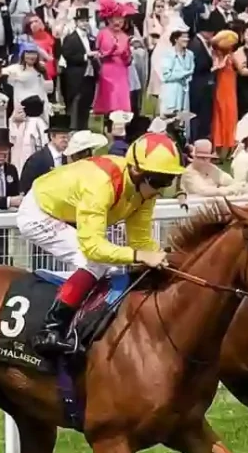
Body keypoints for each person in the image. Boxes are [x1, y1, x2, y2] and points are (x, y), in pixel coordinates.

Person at [19, 132, 185, 355]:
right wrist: (140, 256)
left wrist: (171, 260)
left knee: (114, 266)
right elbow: (93, 248)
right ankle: (50, 331)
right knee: (96, 263)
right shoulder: (102, 184)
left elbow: (140, 240)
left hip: (69, 212)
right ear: (136, 172)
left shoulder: (145, 191)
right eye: (158, 180)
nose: (162, 189)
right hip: (40, 212)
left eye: (169, 180)